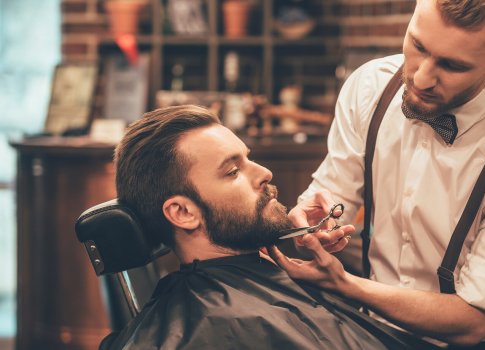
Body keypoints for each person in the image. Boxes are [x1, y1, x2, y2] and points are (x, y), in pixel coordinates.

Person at [270, 0, 485, 348]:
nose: (422, 77)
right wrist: (317, 220)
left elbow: (474, 319)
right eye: (417, 45)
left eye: (452, 65)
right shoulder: (370, 87)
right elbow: (335, 188)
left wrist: (345, 285)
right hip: (371, 334)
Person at [103, 105, 437, 349]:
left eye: (249, 158)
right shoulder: (213, 329)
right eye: (232, 171)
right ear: (182, 212)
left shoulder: (268, 279)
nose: (264, 172)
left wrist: (342, 283)